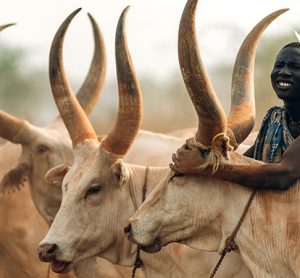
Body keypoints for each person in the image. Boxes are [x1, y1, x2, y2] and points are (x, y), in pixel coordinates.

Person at [170, 42, 300, 190]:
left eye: (295, 67)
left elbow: (283, 175)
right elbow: (245, 163)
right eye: (279, 65)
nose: (283, 72)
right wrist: (208, 154)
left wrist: (203, 167)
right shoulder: (274, 118)